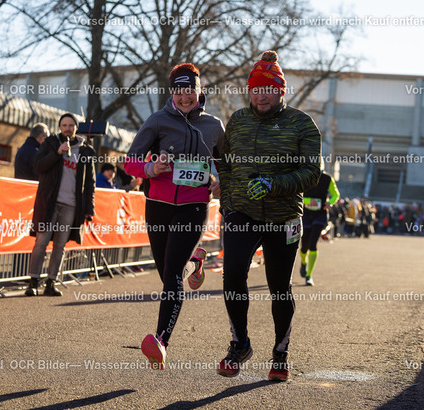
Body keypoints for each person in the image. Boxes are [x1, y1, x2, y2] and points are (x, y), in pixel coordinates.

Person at [217, 51, 321, 381]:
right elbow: (224, 164)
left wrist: (273, 185)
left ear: (281, 91)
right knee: (233, 274)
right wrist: (228, 203)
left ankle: (280, 352)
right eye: (256, 90)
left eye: (269, 90)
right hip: (242, 212)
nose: (261, 96)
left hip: (284, 216)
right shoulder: (237, 120)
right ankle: (240, 343)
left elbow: (311, 173)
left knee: (280, 287)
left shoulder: (302, 124)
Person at [124, 63, 224, 369]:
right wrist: (150, 168)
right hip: (158, 205)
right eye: (179, 91)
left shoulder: (214, 126)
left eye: (190, 90)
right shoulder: (158, 120)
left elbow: (228, 164)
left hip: (194, 206)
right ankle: (195, 263)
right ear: (173, 93)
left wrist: (222, 181)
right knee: (167, 270)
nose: (185, 97)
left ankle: (161, 341)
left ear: (199, 91)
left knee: (171, 276)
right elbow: (130, 161)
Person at [25, 113, 96, 297]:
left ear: (76, 128)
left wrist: (89, 208)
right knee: (41, 241)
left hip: (70, 205)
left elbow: (90, 182)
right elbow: (38, 166)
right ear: (59, 127)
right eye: (64, 125)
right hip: (49, 203)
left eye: (71, 125)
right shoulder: (50, 143)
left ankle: (51, 282)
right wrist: (57, 153)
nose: (67, 129)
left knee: (60, 245)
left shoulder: (85, 151)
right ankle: (33, 282)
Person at [299, 169, 340, 286]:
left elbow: (336, 194)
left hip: (320, 215)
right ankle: (303, 262)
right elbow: (296, 194)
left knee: (313, 243)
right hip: (306, 214)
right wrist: (307, 201)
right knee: (304, 245)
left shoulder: (328, 178)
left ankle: (309, 275)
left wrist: (330, 202)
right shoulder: (304, 175)